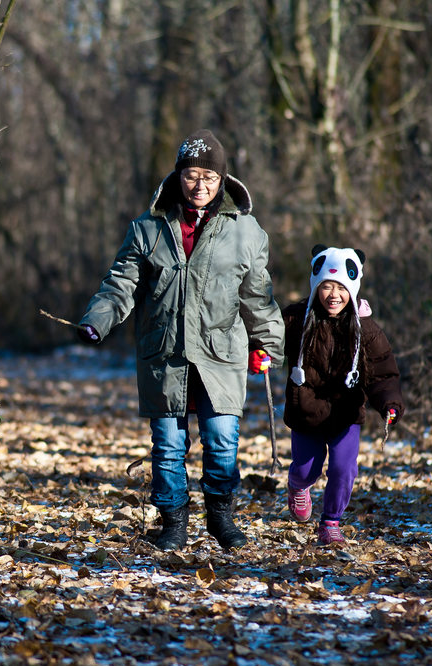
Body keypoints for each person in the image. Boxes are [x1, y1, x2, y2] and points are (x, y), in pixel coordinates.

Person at [76, 129, 284, 552]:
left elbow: (258, 296)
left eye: (209, 177)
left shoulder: (246, 231)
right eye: (192, 175)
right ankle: (173, 522)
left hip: (221, 355)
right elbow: (121, 284)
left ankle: (221, 517)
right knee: (169, 446)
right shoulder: (148, 228)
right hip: (165, 356)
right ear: (178, 177)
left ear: (222, 180)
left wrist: (268, 344)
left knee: (222, 439)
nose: (200, 185)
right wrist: (97, 320)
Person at [281, 245, 405, 546]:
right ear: (316, 286)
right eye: (326, 286)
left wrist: (388, 403)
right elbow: (268, 338)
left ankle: (331, 522)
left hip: (346, 413)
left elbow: (382, 373)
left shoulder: (366, 330)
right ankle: (298, 486)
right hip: (306, 409)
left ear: (352, 289)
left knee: (343, 469)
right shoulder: (297, 319)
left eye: (340, 287)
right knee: (305, 468)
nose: (333, 294)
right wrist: (258, 353)